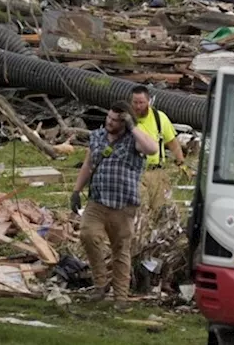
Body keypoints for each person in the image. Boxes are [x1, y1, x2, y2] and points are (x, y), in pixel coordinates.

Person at [71, 102, 159, 305]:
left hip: (123, 206)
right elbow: (88, 164)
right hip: (98, 201)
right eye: (108, 118)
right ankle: (101, 284)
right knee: (87, 234)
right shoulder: (97, 137)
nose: (110, 122)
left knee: (120, 251)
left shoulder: (133, 141)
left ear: (125, 122)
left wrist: (133, 127)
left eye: (116, 120)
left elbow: (152, 149)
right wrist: (76, 191)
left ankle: (120, 298)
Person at [129, 86, 183, 170]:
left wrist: (181, 164)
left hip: (156, 171)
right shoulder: (125, 120)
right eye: (135, 102)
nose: (138, 106)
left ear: (148, 102)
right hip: (132, 170)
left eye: (141, 102)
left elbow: (173, 144)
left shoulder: (160, 118)